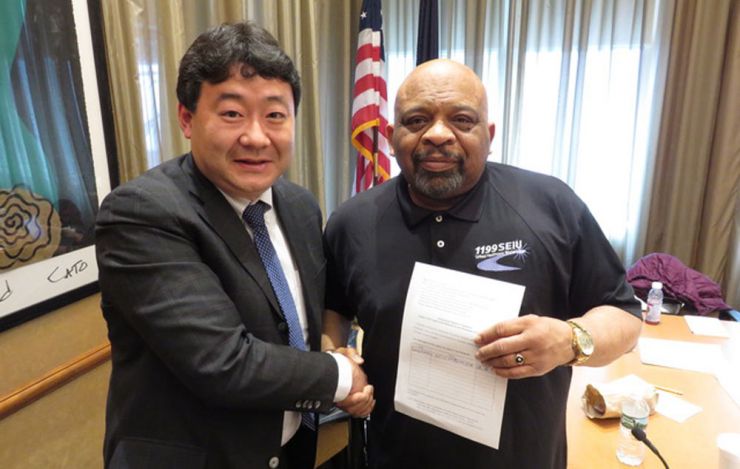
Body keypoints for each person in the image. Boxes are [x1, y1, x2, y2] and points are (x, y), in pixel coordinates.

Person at [322, 59, 643, 468]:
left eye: (461, 119)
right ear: (391, 136)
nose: (437, 134)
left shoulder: (553, 206)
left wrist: (569, 341)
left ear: (489, 135)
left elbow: (624, 317)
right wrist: (338, 360)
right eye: (417, 120)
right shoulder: (352, 223)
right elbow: (333, 309)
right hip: (394, 456)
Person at [96, 22, 373, 469]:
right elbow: (222, 362)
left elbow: (297, 327)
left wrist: (333, 359)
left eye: (275, 115)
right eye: (231, 114)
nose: (256, 137)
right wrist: (341, 376)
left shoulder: (300, 206)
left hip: (288, 451)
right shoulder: (142, 212)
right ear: (187, 119)